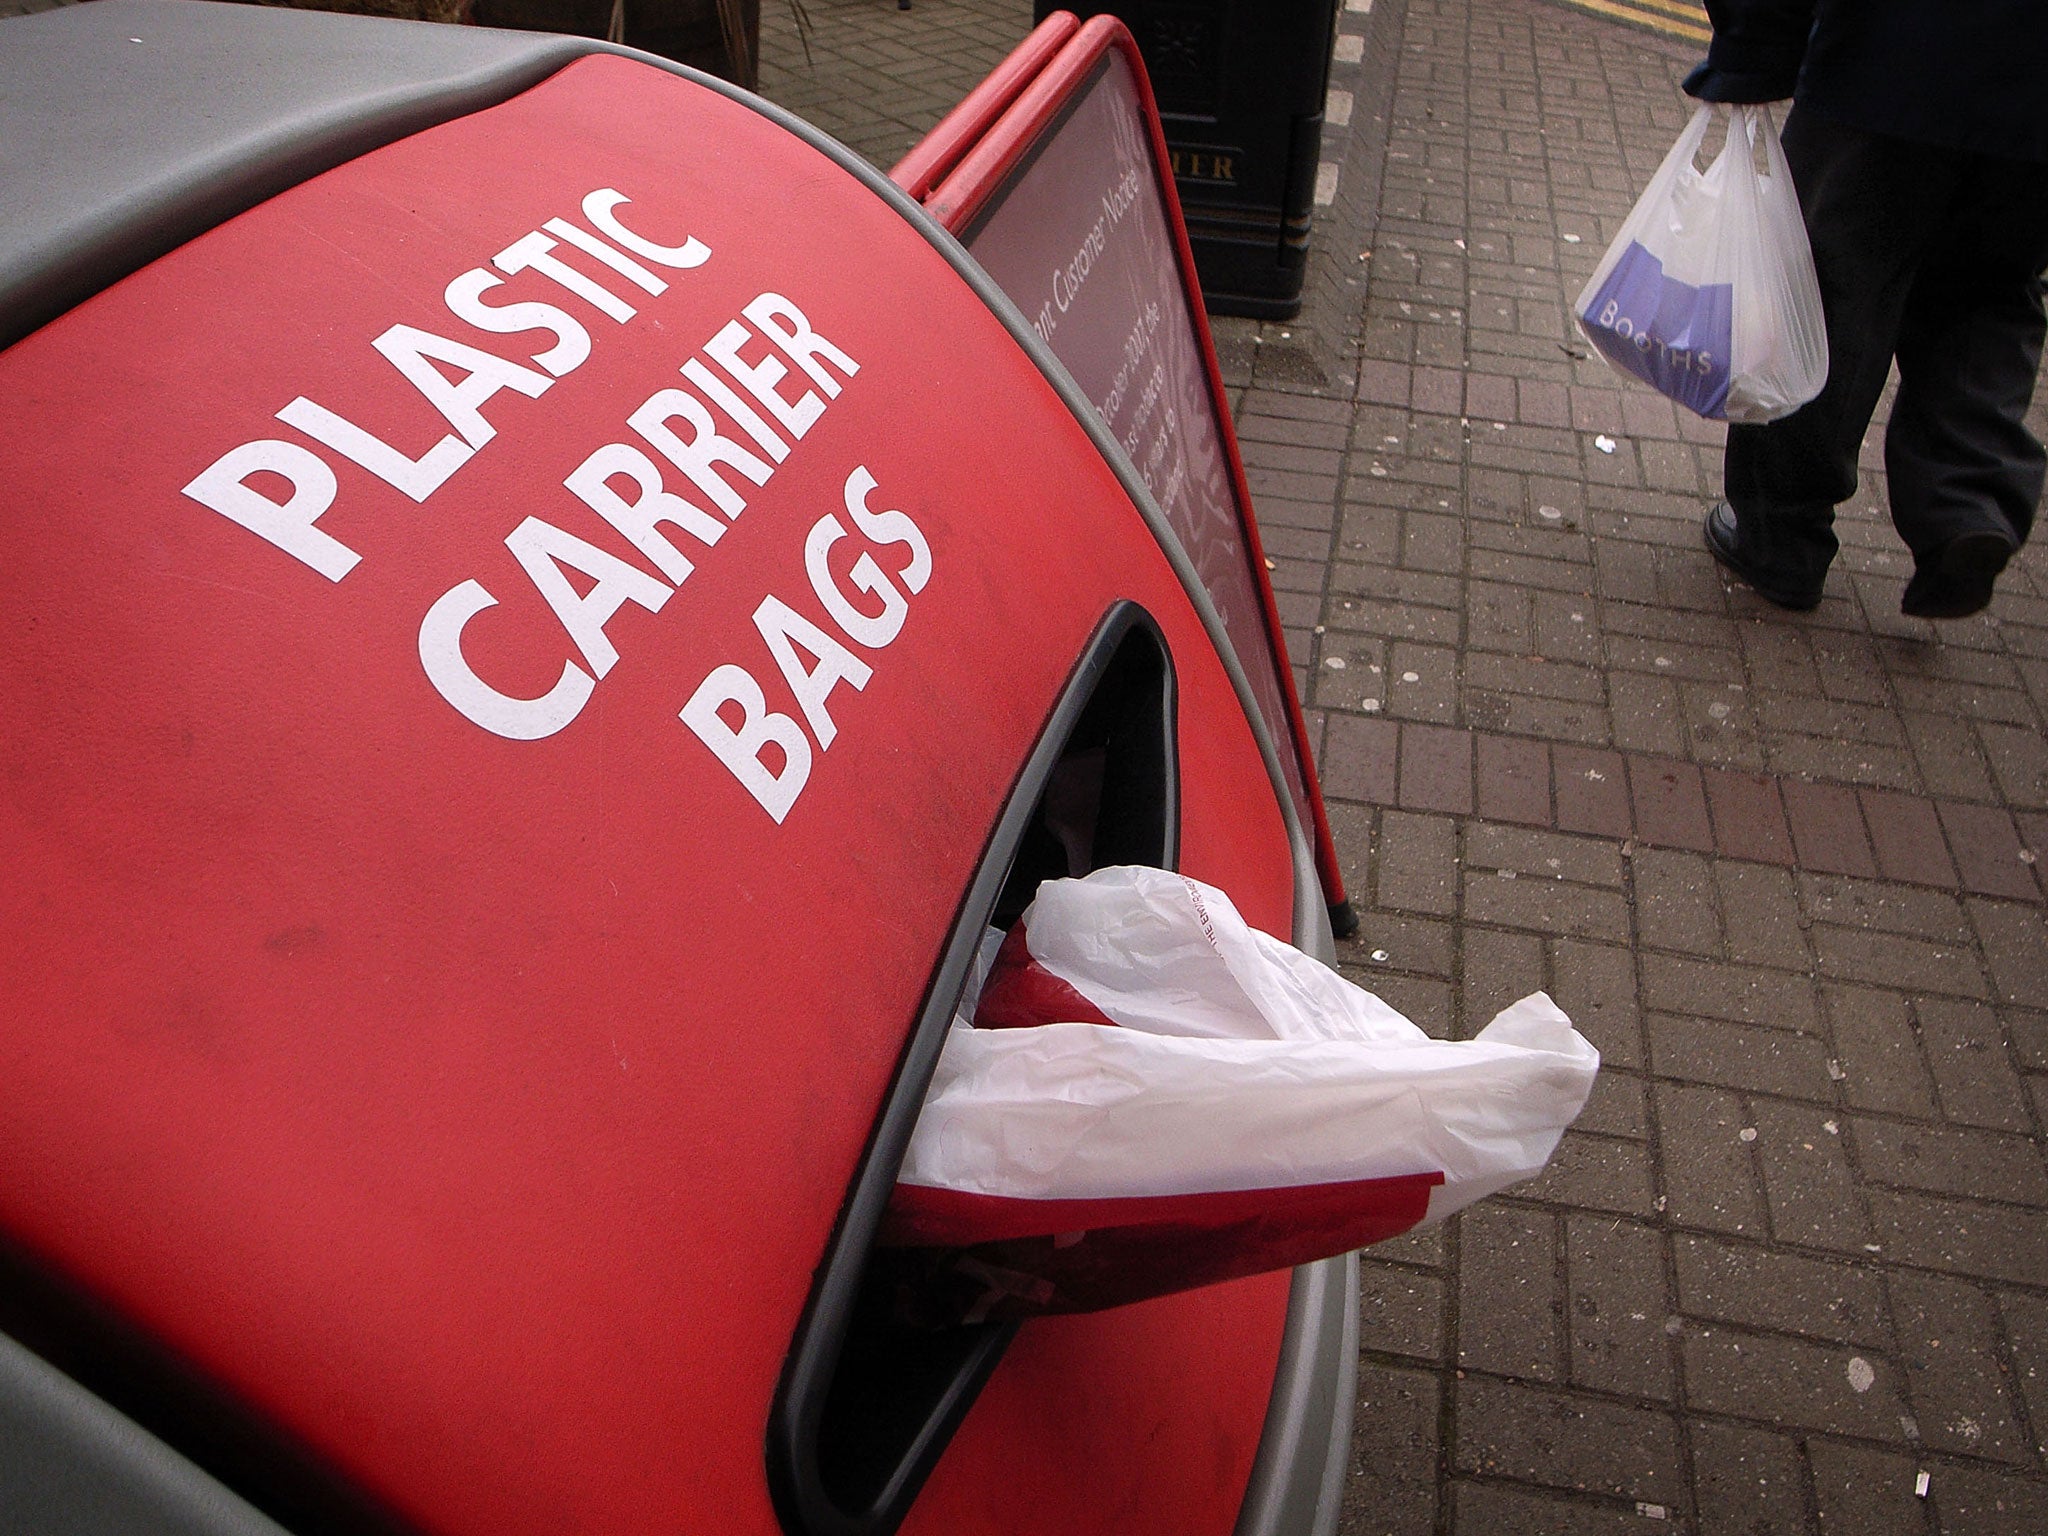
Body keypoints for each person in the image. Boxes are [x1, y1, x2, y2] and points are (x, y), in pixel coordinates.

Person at [1686, 1, 2048, 618]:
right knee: (1988, 292)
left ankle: (1780, 539)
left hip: (1891, 62)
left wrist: (1754, 48)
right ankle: (1966, 504)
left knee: (1827, 293)